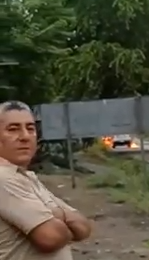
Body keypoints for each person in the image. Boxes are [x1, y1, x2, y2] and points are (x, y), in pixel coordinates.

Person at [0, 100, 92, 260]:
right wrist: (60, 216)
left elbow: (84, 228)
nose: (25, 137)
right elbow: (51, 237)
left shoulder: (27, 177)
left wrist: (57, 216)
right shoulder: (3, 178)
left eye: (30, 128)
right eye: (13, 129)